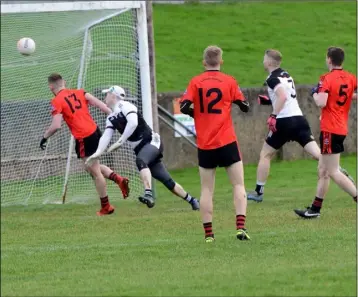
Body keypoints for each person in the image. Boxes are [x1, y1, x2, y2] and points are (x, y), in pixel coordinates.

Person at [247, 49, 353, 203]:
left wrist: (273, 115)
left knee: (265, 154)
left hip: (283, 122)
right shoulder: (286, 75)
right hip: (299, 120)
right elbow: (286, 97)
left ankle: (258, 192)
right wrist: (270, 101)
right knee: (319, 155)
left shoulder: (272, 78)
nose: (263, 61)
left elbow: (282, 96)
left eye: (264, 58)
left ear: (269, 62)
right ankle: (338, 171)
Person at [85, 86, 200, 211]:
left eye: (107, 94)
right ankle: (192, 200)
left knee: (140, 160)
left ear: (113, 96)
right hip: (143, 150)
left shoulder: (125, 106)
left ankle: (148, 194)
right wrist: (97, 153)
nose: (105, 97)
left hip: (152, 142)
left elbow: (133, 123)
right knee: (167, 181)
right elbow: (106, 137)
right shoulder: (111, 117)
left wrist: (121, 140)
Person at [180, 45, 250, 242]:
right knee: (238, 184)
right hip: (227, 140)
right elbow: (245, 106)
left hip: (205, 143)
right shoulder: (229, 81)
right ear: (221, 62)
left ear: (204, 62)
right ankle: (240, 227)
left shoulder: (195, 82)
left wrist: (197, 114)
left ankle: (209, 234)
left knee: (206, 189)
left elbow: (184, 105)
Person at [40, 73, 130, 216]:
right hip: (95, 132)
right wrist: (115, 119)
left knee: (95, 172)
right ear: (63, 82)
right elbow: (102, 105)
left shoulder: (57, 100)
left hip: (83, 137)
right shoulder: (80, 92)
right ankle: (118, 179)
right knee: (92, 167)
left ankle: (106, 206)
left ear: (51, 86)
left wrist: (44, 137)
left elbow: (56, 125)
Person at [294, 47, 357, 218]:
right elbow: (350, 93)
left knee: (333, 171)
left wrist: (315, 93)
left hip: (330, 128)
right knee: (323, 169)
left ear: (329, 59)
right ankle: (315, 209)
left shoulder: (326, 79)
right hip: (341, 127)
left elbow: (321, 102)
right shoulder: (351, 77)